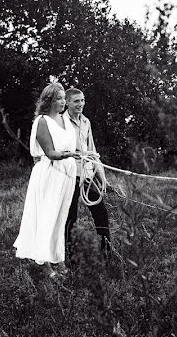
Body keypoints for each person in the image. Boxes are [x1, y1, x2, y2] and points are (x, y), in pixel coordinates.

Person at [13, 82, 78, 274]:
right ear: (48, 100)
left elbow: (70, 147)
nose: (63, 102)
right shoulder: (42, 121)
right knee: (47, 217)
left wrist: (82, 154)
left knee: (61, 217)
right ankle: (45, 264)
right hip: (50, 173)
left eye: (63, 98)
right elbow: (50, 152)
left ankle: (58, 260)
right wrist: (69, 155)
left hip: (66, 174)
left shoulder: (65, 120)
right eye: (58, 98)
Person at [63, 87, 112, 255]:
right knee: (71, 218)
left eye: (82, 100)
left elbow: (93, 151)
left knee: (101, 212)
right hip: (70, 175)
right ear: (67, 102)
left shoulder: (86, 122)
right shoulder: (61, 122)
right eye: (76, 101)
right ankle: (71, 256)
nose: (80, 104)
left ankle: (107, 251)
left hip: (88, 175)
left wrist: (102, 179)